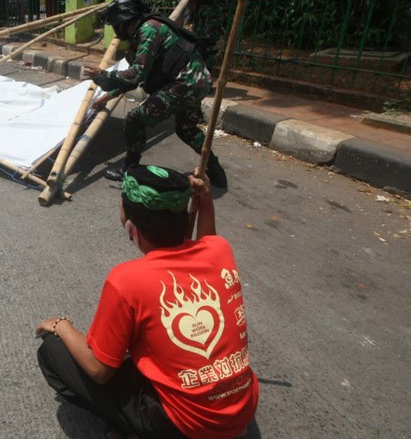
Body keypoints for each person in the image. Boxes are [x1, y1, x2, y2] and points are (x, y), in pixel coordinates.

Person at [36, 164, 258, 439]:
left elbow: (99, 370)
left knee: (51, 351)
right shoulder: (219, 250)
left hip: (182, 427)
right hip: (239, 412)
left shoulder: (127, 279)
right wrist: (206, 201)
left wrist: (61, 325)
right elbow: (207, 241)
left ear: (132, 227)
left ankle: (130, 428)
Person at [84, 0, 227, 188]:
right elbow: (136, 78)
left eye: (115, 24)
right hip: (196, 81)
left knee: (135, 120)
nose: (114, 29)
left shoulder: (148, 30)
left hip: (183, 83)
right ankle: (217, 172)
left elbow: (135, 75)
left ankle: (130, 169)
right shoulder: (147, 28)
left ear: (124, 20)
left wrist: (102, 76)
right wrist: (106, 98)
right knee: (187, 129)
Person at [183, 0, 235, 73]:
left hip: (213, 3)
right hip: (199, 3)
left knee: (207, 42)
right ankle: (197, 73)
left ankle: (204, 74)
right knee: (197, 39)